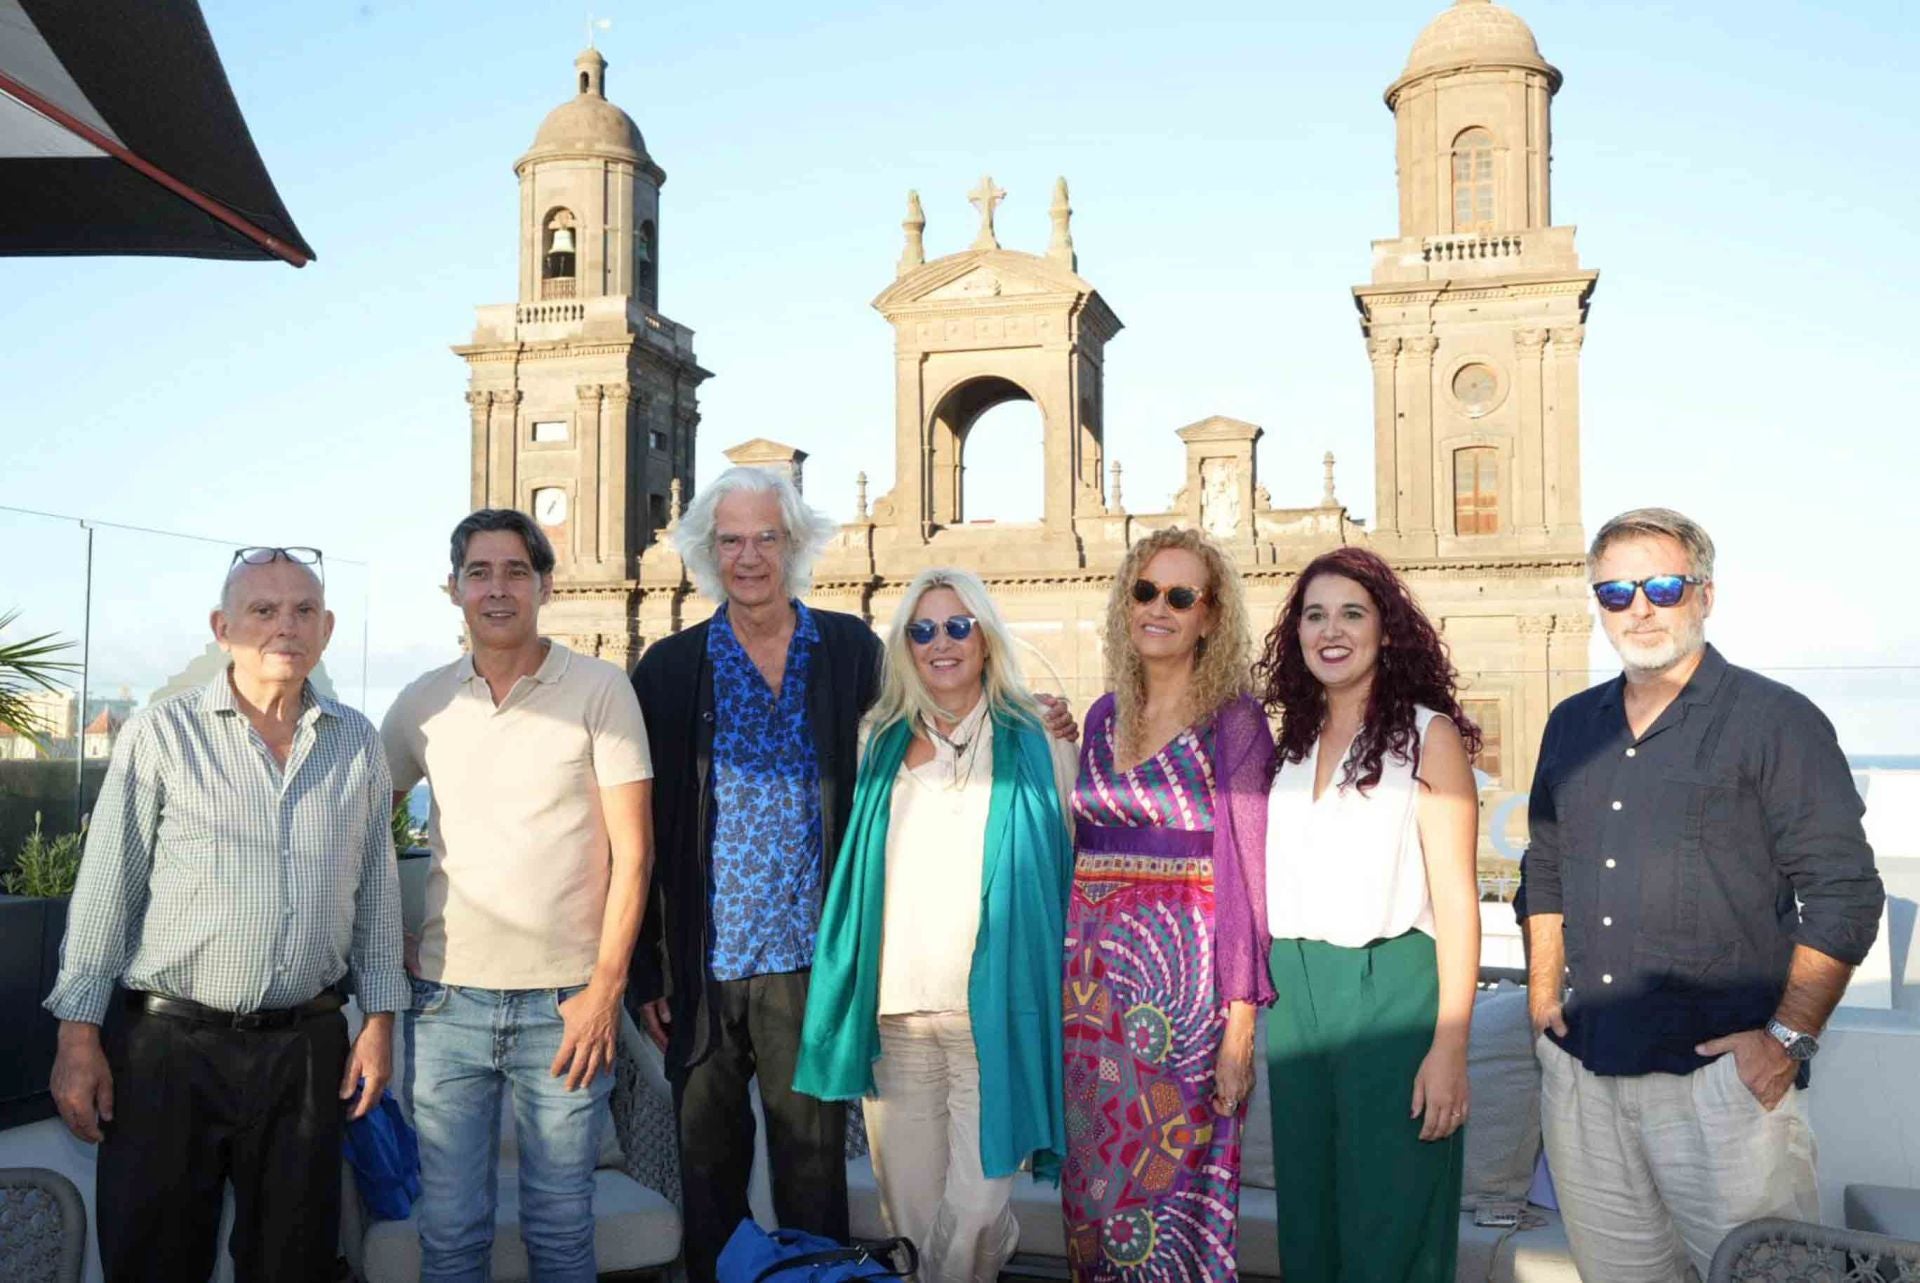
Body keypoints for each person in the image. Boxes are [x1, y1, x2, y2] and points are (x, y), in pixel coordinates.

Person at [1518, 507, 1883, 1282]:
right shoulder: (1571, 725)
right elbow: (1543, 865)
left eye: (1662, 584)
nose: (1640, 607)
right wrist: (1544, 992)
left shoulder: (1776, 721)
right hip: (1586, 1075)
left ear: (1705, 594)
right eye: (1616, 591)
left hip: (1724, 1089)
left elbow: (1845, 891)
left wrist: (1787, 1041)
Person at [45, 547, 406, 1283]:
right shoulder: (161, 734)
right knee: (154, 1261)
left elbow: (376, 897)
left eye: (303, 610)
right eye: (263, 610)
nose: (286, 626)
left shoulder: (358, 744)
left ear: (328, 628)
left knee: (295, 1265)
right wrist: (77, 1037)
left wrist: (379, 1024)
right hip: (167, 1052)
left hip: (306, 1053)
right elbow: (107, 891)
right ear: (224, 626)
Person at [381, 509, 653, 1283]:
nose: (496, 589)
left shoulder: (602, 690)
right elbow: (358, 825)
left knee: (563, 1233)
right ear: (454, 588)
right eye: (479, 572)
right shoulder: (422, 702)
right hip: (446, 1006)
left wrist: (605, 990)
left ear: (545, 585)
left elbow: (635, 854)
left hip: (566, 1008)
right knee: (452, 1234)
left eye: (514, 571)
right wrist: (390, 943)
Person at [794, 567, 1078, 1283]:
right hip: (897, 1020)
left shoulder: (1040, 737)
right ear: (905, 647)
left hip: (994, 1018)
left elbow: (1069, 867)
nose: (940, 642)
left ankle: (989, 1244)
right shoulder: (875, 740)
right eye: (922, 630)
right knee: (912, 1223)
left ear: (985, 636)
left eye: (958, 625)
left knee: (980, 1208)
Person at [1254, 546, 1481, 1282]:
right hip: (1295, 993)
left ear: (1388, 630)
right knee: (1309, 1223)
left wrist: (1450, 1047)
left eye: (1353, 612)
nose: (1332, 629)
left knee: (1390, 1223)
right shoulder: (1283, 744)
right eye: (1315, 615)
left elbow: (1455, 898)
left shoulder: (1428, 735)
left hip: (1392, 989)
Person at [1060, 527, 1272, 1283]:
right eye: (1144, 591)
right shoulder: (1100, 715)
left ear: (1210, 617)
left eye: (1181, 596)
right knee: (1093, 1206)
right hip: (1088, 1002)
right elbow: (1076, 849)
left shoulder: (1236, 721)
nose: (1159, 608)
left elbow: (1249, 874)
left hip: (1183, 1008)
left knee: (1172, 1207)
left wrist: (1240, 1024)